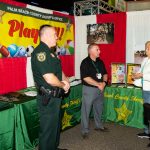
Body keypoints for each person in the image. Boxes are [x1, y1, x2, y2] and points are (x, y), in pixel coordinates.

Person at [31, 25, 70, 150]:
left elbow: (58, 70)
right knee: (47, 129)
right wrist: (63, 85)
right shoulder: (40, 52)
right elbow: (49, 77)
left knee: (54, 126)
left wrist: (65, 80)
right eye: (54, 34)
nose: (57, 37)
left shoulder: (50, 52)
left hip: (55, 96)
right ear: (46, 35)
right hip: (48, 97)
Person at [80, 43, 108, 139]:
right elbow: (85, 78)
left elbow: (105, 73)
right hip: (89, 90)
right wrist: (98, 84)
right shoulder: (85, 62)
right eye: (97, 49)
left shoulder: (100, 61)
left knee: (98, 108)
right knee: (86, 110)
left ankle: (99, 126)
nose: (99, 51)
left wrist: (104, 82)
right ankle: (84, 130)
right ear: (90, 51)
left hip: (100, 89)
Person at [132, 41, 150, 139]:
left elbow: (144, 74)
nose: (146, 50)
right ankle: (147, 132)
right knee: (146, 112)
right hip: (145, 89)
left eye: (148, 48)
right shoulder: (145, 59)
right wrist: (135, 75)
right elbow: (140, 71)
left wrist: (142, 75)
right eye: (146, 47)